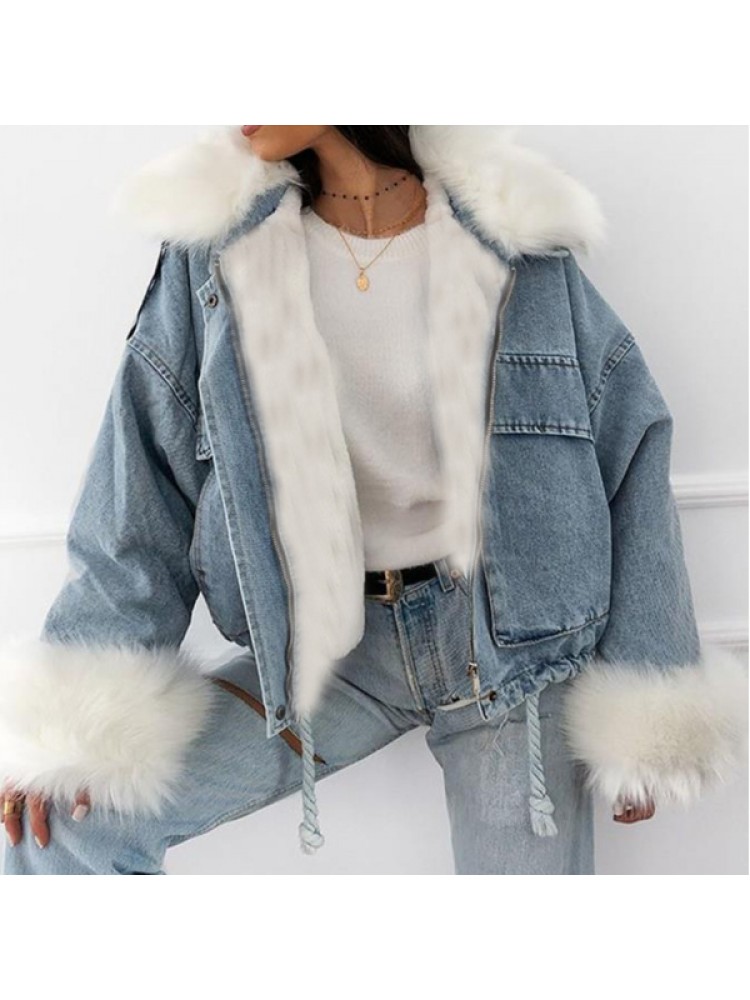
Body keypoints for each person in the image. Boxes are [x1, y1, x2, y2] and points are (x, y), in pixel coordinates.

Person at [1, 126, 745, 875]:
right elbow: (143, 485)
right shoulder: (218, 259)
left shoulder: (513, 239)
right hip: (330, 653)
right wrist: (71, 728)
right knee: (64, 830)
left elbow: (629, 439)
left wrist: (648, 698)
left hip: (507, 651)